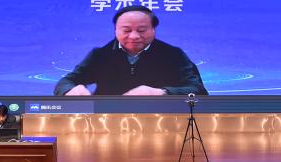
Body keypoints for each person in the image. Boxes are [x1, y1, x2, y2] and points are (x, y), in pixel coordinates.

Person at [54, 5, 207, 96]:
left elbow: (198, 90)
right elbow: (66, 81)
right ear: (115, 30)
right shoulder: (100, 55)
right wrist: (70, 89)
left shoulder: (172, 55)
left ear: (153, 30)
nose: (134, 36)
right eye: (126, 30)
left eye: (141, 30)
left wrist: (162, 92)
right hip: (106, 122)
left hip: (160, 121)